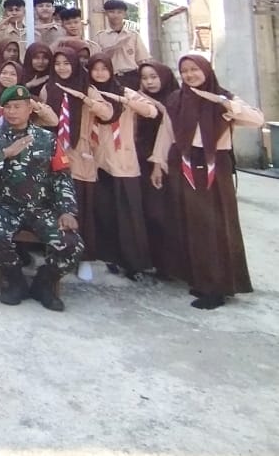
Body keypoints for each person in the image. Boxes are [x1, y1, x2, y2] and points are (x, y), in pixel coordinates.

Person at [149, 54, 265, 309]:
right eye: (185, 71)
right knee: (192, 224)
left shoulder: (223, 97)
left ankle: (218, 287)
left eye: (195, 69)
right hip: (184, 164)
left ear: (206, 70)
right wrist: (158, 164)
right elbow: (166, 133)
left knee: (214, 226)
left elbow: (257, 120)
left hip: (214, 166)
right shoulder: (176, 99)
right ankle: (201, 279)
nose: (190, 75)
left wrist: (223, 102)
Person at [0, 84, 84, 311]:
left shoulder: (47, 139)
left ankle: (44, 283)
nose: (12, 112)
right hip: (5, 207)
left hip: (41, 208)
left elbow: (62, 177)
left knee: (72, 244)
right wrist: (6, 153)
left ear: (29, 108)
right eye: (8, 107)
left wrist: (67, 210)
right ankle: (15, 281)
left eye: (18, 106)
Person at [41, 48, 118, 276]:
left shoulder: (87, 88)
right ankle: (58, 254)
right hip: (55, 153)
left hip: (81, 153)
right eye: (58, 63)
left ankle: (84, 258)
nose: (62, 68)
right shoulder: (48, 88)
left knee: (81, 207)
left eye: (67, 63)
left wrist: (84, 99)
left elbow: (107, 113)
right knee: (55, 205)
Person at [88, 54, 156, 280]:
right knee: (105, 213)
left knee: (128, 214)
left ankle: (134, 263)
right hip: (97, 161)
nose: (99, 73)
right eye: (95, 69)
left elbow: (151, 111)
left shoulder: (124, 92)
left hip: (122, 161)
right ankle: (111, 257)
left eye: (104, 69)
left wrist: (126, 102)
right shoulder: (88, 93)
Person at [135, 61, 178, 276]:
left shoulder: (176, 100)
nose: (149, 82)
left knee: (167, 214)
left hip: (170, 163)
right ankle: (154, 261)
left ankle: (171, 265)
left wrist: (161, 108)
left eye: (153, 77)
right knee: (150, 213)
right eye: (144, 78)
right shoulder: (138, 100)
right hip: (142, 161)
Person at [96, 0, 151, 87]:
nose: (115, 15)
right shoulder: (100, 37)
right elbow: (97, 61)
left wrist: (144, 80)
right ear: (105, 13)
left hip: (132, 77)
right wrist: (114, 47)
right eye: (111, 12)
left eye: (119, 12)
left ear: (124, 14)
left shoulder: (133, 35)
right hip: (110, 78)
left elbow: (142, 61)